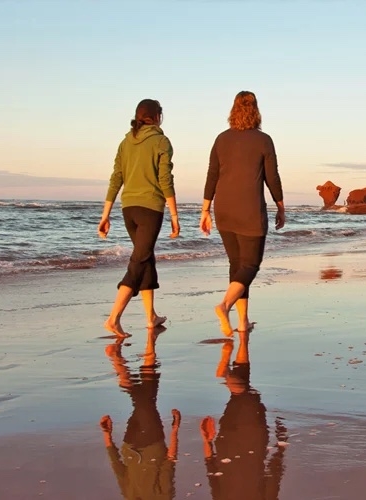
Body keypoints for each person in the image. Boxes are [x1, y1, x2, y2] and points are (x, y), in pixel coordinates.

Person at [200, 91, 285, 336]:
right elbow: (272, 177)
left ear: (233, 110)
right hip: (250, 210)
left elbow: (212, 176)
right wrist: (280, 206)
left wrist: (205, 210)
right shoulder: (264, 140)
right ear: (256, 110)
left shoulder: (221, 139)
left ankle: (242, 321)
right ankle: (224, 306)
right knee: (251, 265)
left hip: (224, 209)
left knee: (237, 266)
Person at [98, 99, 180, 337]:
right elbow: (165, 180)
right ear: (157, 117)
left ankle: (150, 316)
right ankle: (114, 318)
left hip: (128, 210)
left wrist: (105, 216)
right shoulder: (161, 141)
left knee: (146, 259)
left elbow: (116, 178)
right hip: (150, 209)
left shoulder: (125, 142)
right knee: (138, 261)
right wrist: (175, 215)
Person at [200, 330, 287, 500]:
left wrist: (281, 445)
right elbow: (212, 472)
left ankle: (225, 374)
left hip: (252, 442)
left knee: (246, 395)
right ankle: (243, 338)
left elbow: (275, 474)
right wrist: (207, 441)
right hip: (226, 445)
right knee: (240, 394)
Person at [99, 328, 181, 499]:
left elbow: (170, 462)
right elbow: (118, 469)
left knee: (143, 402)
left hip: (149, 441)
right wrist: (107, 437)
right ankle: (151, 340)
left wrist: (175, 430)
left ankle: (117, 360)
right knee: (149, 395)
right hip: (132, 445)